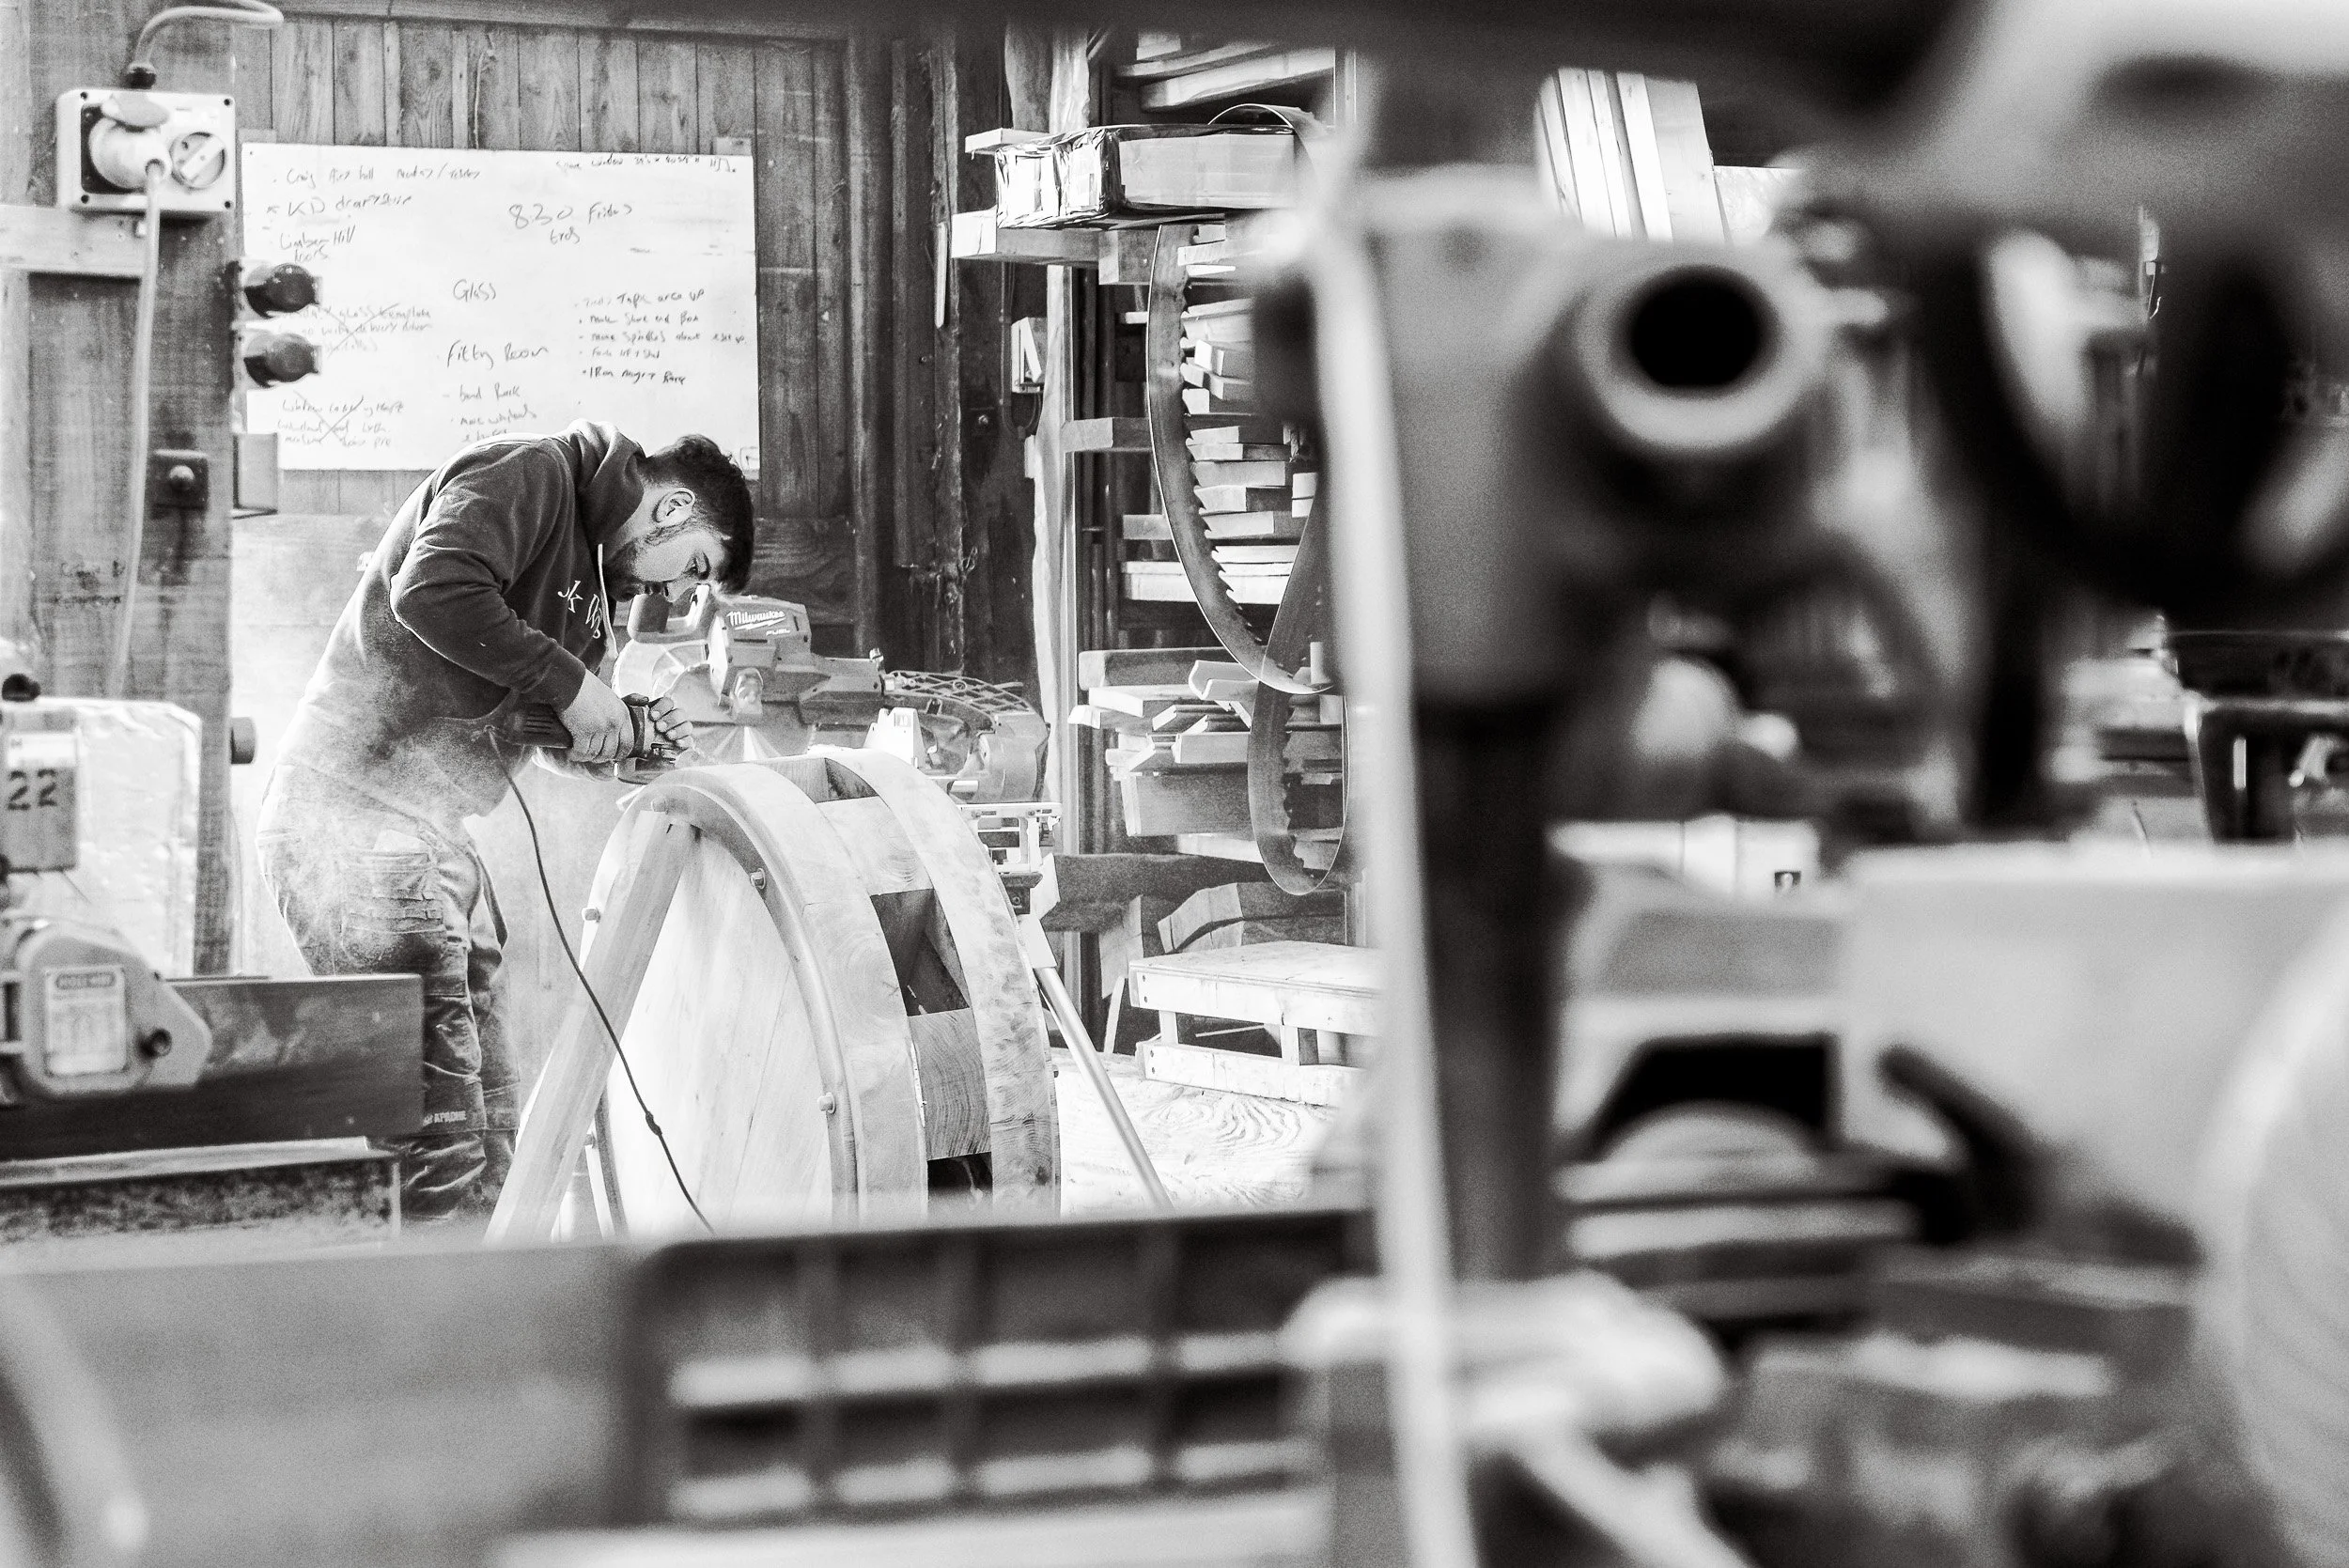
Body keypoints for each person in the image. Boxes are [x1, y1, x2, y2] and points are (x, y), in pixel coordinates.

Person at [257, 421, 755, 1222]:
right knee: (438, 1147)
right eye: (694, 567)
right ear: (673, 506)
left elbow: (522, 714)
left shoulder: (592, 593)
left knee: (491, 1141)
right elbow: (433, 590)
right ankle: (444, 1339)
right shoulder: (533, 475)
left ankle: (489, 1325)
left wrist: (617, 737)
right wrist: (569, 682)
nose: (674, 594)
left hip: (427, 839)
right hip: (352, 820)